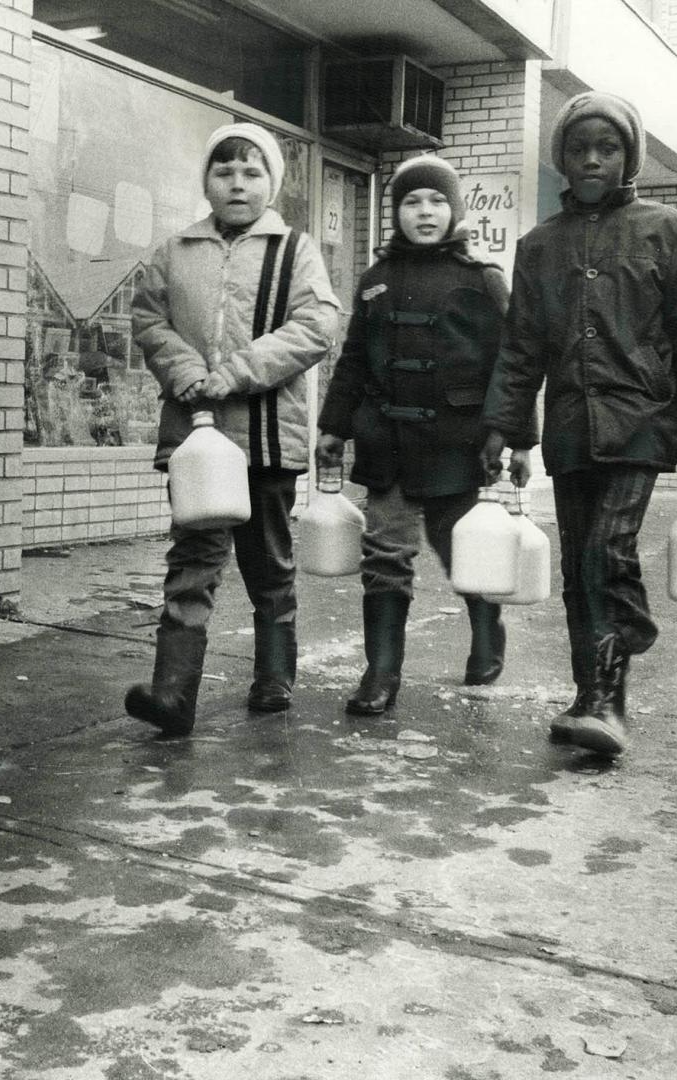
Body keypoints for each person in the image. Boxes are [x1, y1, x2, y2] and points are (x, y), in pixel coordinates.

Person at [481, 91, 677, 757]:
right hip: (569, 426)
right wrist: (507, 430)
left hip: (642, 420)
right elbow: (521, 346)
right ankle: (595, 699)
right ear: (560, 158)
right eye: (579, 146)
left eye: (608, 147)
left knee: (606, 550)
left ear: (628, 159)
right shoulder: (538, 247)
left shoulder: (665, 231)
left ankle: (621, 662)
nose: (593, 157)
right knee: (575, 568)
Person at [125, 122, 341, 737]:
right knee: (193, 558)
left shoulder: (293, 250)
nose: (237, 184)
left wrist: (236, 374)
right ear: (208, 182)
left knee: (268, 563)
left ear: (271, 184)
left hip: (267, 435)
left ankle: (274, 677)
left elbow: (317, 325)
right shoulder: (175, 251)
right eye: (225, 172)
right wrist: (187, 371)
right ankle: (173, 693)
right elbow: (150, 318)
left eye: (252, 173)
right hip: (197, 440)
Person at [316, 155, 533, 715]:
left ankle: (487, 629)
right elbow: (354, 360)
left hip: (456, 445)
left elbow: (514, 363)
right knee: (385, 553)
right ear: (396, 214)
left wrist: (515, 440)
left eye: (437, 201)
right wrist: (334, 428)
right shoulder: (375, 281)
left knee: (460, 549)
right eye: (412, 202)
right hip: (385, 442)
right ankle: (382, 672)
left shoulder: (482, 281)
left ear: (456, 211)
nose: (425, 211)